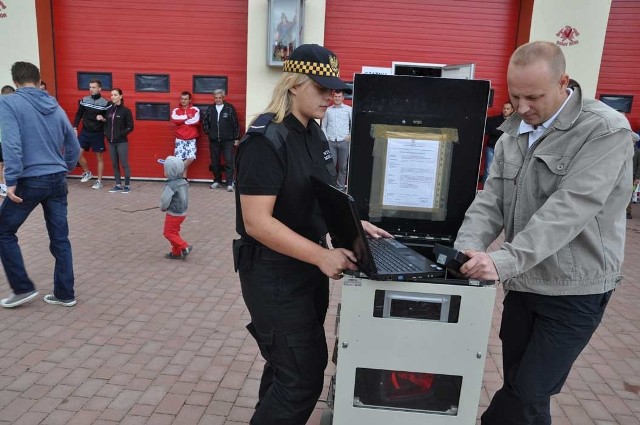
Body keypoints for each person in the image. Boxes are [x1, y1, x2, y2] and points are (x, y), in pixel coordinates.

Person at [454, 41, 637, 425]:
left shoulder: (604, 130)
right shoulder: (514, 133)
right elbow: (492, 201)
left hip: (575, 289)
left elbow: (569, 210)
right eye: (514, 96)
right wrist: (468, 247)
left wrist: (503, 260)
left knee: (526, 394)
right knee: (527, 395)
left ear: (563, 82)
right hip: (523, 286)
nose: (522, 108)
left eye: (533, 97)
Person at [233, 43, 392, 425]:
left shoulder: (312, 133)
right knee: (301, 379)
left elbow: (322, 198)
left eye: (334, 89)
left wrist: (354, 226)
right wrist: (322, 255)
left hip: (304, 273)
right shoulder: (265, 140)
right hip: (273, 275)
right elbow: (257, 222)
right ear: (294, 84)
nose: (331, 97)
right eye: (322, 89)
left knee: (285, 369)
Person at [0, 61, 80, 308]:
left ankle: (23, 288)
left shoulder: (9, 102)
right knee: (60, 238)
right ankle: (65, 294)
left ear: (15, 82)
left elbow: (11, 144)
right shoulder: (55, 106)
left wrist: (10, 180)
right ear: (38, 79)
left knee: (3, 231)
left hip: (29, 180)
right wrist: (63, 168)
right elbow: (74, 146)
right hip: (56, 179)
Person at [73, 79, 111, 189]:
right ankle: (87, 172)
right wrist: (75, 127)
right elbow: (78, 114)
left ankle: (99, 181)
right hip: (85, 132)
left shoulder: (106, 103)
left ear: (99, 89)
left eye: (94, 87)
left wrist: (103, 119)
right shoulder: (84, 100)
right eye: (90, 87)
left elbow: (109, 120)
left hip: (98, 133)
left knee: (99, 158)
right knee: (77, 153)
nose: (91, 89)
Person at [203, 89, 240, 191]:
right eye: (216, 98)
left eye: (220, 97)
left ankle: (229, 183)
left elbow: (235, 124)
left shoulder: (229, 108)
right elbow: (205, 122)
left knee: (229, 161)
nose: (218, 99)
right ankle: (217, 181)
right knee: (215, 162)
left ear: (223, 98)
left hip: (228, 140)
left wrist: (236, 138)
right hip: (214, 140)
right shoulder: (210, 109)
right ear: (214, 98)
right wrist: (209, 133)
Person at [159, 156, 192, 260]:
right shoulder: (183, 182)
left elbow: (165, 200)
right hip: (182, 212)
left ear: (170, 171)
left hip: (173, 213)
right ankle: (176, 252)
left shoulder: (170, 185)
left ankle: (184, 246)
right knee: (174, 232)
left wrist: (162, 207)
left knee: (168, 233)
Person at [104, 88, 134, 193]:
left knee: (124, 163)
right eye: (111, 95)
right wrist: (106, 134)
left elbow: (130, 127)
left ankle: (127, 186)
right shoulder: (109, 110)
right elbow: (106, 124)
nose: (113, 97)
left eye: (115, 95)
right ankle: (117, 184)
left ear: (120, 96)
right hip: (111, 142)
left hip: (122, 142)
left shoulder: (126, 111)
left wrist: (120, 134)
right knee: (114, 164)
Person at [321, 90, 352, 190]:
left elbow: (354, 124)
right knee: (331, 166)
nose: (337, 98)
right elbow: (323, 126)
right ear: (333, 98)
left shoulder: (349, 110)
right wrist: (326, 139)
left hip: (344, 141)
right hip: (331, 142)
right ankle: (331, 187)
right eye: (335, 96)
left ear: (343, 98)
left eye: (339, 96)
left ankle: (340, 188)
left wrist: (350, 135)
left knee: (343, 167)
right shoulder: (328, 110)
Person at [482, 101, 514, 183]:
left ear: (512, 110)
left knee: (502, 172)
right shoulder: (494, 120)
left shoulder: (514, 123)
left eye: (508, 109)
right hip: (492, 148)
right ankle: (485, 191)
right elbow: (487, 131)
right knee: (488, 169)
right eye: (504, 108)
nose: (505, 110)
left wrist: (498, 130)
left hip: (506, 150)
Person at [170, 92, 200, 178]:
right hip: (180, 138)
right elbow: (175, 119)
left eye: (185, 99)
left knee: (190, 158)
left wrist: (182, 121)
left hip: (191, 138)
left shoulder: (195, 109)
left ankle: (176, 172)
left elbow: (195, 121)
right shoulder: (176, 110)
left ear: (189, 100)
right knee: (180, 159)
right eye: (182, 99)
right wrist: (187, 117)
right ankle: (184, 179)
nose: (183, 101)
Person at [0, 85, 15, 198]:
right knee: (1, 163)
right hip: (2, 139)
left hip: (8, 139)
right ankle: (2, 185)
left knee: (6, 163)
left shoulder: (12, 107)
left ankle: (6, 184)